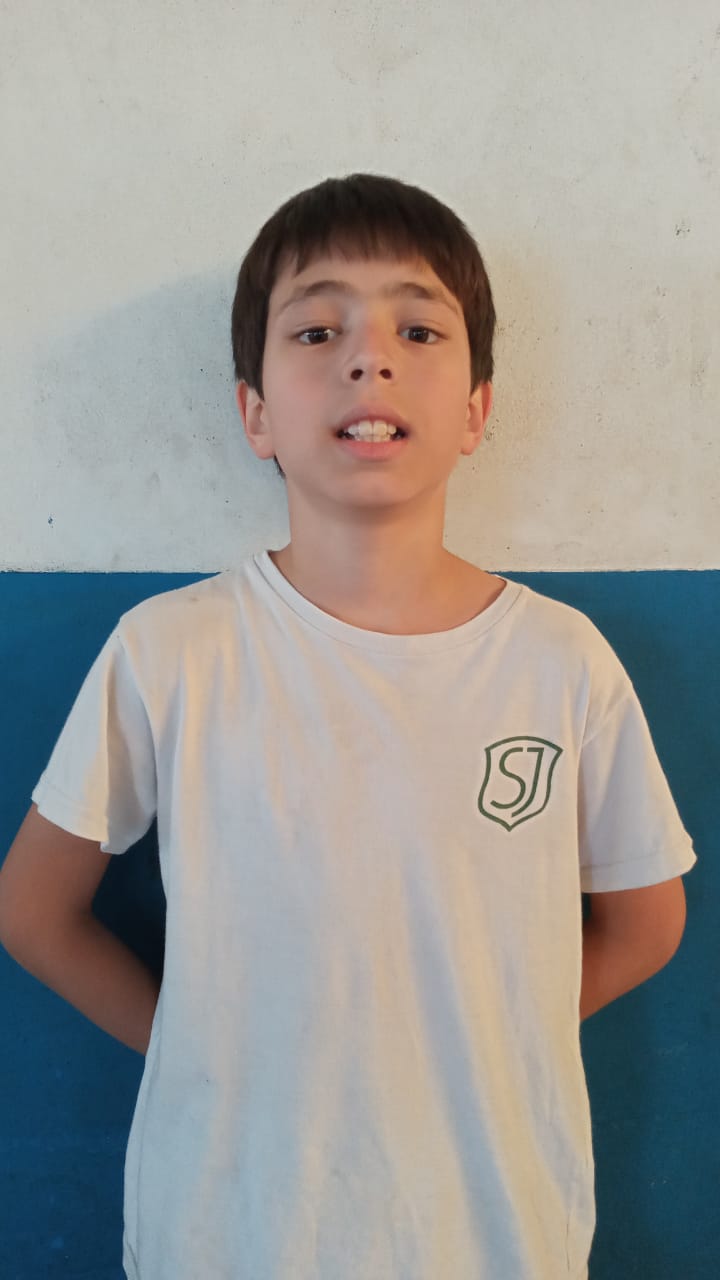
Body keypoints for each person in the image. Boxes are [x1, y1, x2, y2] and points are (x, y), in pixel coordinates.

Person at [0, 173, 697, 1279]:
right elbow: (34, 909)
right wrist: (198, 1049)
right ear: (255, 413)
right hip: (228, 1235)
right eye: (318, 329)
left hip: (492, 1238)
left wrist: (478, 1043)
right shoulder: (172, 653)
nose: (369, 358)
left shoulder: (561, 663)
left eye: (418, 329)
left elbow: (647, 921)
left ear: (476, 411)